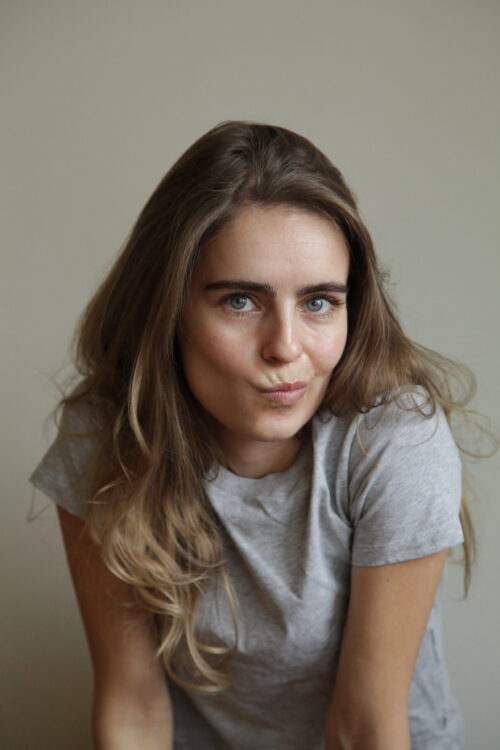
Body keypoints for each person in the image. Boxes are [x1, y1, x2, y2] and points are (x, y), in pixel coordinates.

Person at [29, 120, 476, 749]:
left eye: (318, 302)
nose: (286, 348)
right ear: (169, 308)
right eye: (241, 300)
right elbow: (133, 707)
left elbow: (364, 726)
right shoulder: (108, 433)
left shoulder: (394, 443)